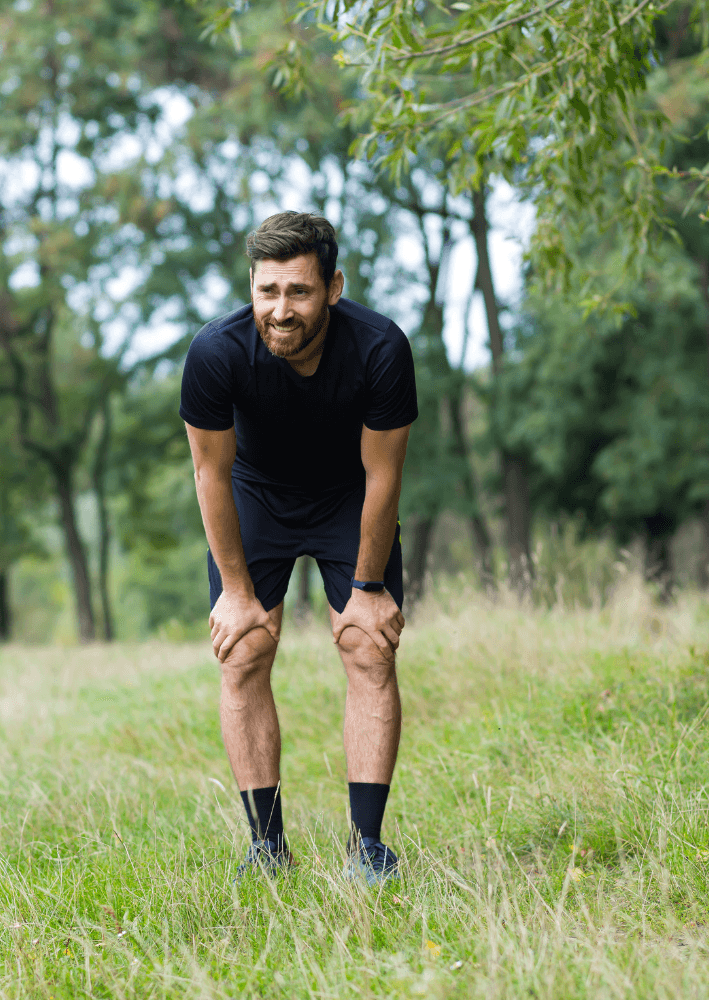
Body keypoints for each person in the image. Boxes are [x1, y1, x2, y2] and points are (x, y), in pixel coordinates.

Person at [179, 211, 417, 884]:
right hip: (256, 495)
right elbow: (210, 473)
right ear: (251, 289)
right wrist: (235, 590)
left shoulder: (380, 348)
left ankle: (368, 849)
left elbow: (385, 474)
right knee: (245, 647)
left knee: (368, 646)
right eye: (267, 292)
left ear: (333, 288)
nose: (280, 311)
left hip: (349, 493)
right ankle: (267, 848)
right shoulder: (216, 352)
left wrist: (367, 592)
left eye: (299, 292)